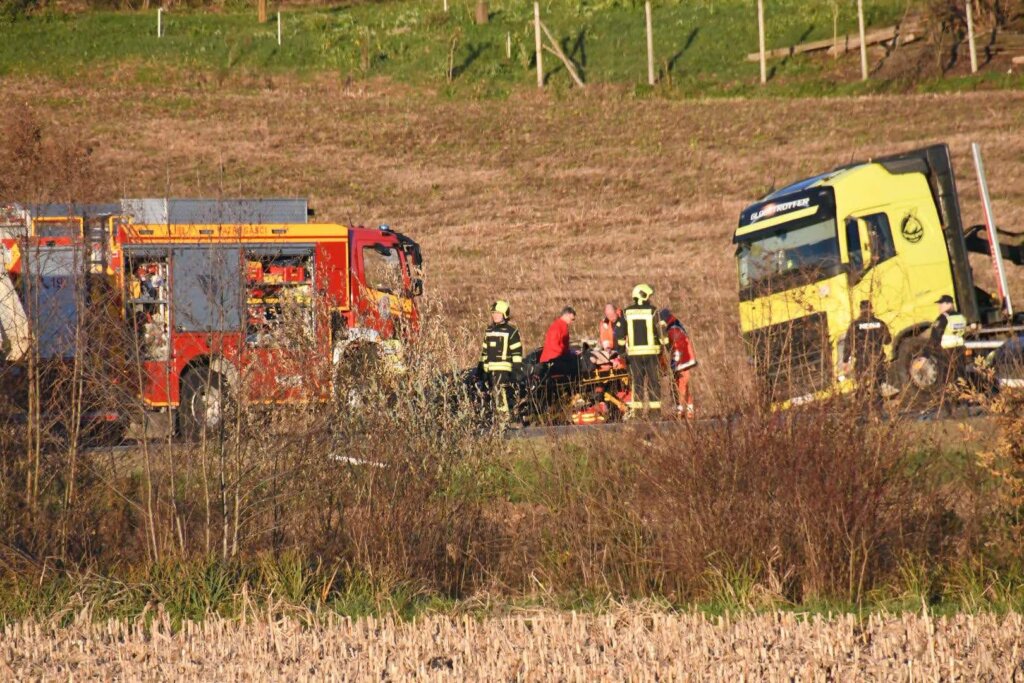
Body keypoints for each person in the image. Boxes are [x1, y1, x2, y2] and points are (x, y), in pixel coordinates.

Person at [619, 284, 662, 415]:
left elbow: (620, 336)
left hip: (634, 355)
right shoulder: (653, 311)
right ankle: (655, 413)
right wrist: (665, 347)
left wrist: (621, 352)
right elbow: (661, 332)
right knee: (654, 382)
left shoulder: (627, 312)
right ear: (644, 296)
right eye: (648, 296)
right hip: (651, 354)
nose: (650, 299)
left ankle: (637, 413)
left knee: (637, 383)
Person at [842, 300, 891, 412]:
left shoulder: (854, 325)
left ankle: (863, 411)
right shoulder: (879, 323)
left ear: (860, 310)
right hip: (878, 360)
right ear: (871, 308)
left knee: (861, 387)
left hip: (862, 361)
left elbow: (848, 344)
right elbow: (888, 340)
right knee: (878, 386)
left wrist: (845, 360)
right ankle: (879, 410)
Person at [479, 300, 523, 418]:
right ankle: (498, 419)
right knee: (492, 395)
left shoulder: (512, 331)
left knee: (500, 394)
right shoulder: (489, 331)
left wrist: (516, 371)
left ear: (505, 314)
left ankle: (504, 420)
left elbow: (517, 353)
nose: (495, 315)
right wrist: (481, 369)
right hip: (490, 370)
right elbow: (484, 352)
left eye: (498, 313)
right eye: (493, 313)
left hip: (504, 370)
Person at [658, 308, 697, 418]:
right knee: (684, 385)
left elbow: (678, 348)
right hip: (686, 359)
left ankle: (680, 411)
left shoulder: (673, 330)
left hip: (683, 361)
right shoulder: (675, 325)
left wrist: (674, 362)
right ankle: (689, 410)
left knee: (680, 385)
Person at [540, 306, 579, 379]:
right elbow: (553, 345)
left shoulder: (561, 325)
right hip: (552, 360)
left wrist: (570, 352)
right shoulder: (558, 326)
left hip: (554, 359)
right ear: (566, 315)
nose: (572, 322)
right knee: (576, 366)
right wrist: (567, 353)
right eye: (572, 319)